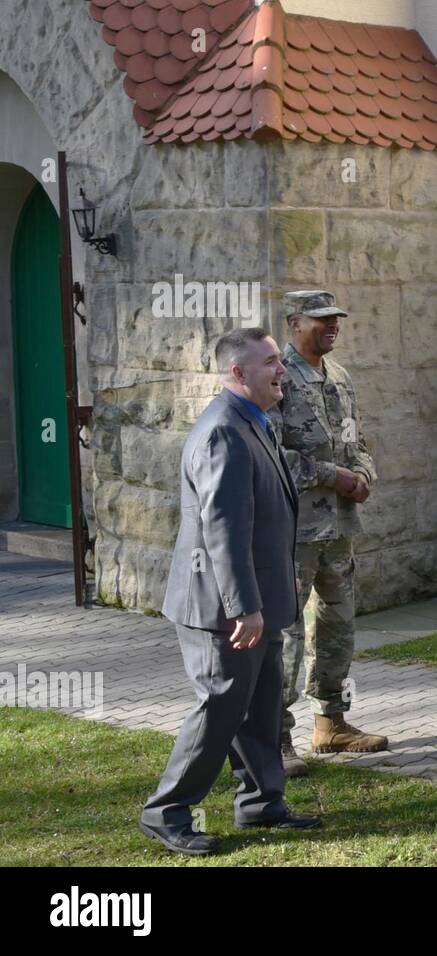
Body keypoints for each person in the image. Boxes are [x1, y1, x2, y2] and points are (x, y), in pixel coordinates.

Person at [139, 328, 320, 856]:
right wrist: (245, 607)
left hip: (257, 604)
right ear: (239, 373)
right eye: (270, 363)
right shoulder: (223, 432)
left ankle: (262, 803)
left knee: (260, 707)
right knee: (219, 708)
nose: (282, 370)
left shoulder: (251, 422)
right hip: (224, 609)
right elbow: (224, 529)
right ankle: (165, 812)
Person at [273, 291, 385, 775]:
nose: (332, 326)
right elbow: (272, 453)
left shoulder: (338, 377)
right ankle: (275, 736)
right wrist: (330, 476)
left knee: (337, 625)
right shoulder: (277, 376)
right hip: (294, 530)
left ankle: (331, 724)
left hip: (338, 527)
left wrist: (363, 475)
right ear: (295, 323)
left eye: (335, 319)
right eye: (321, 320)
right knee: (286, 634)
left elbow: (355, 439)